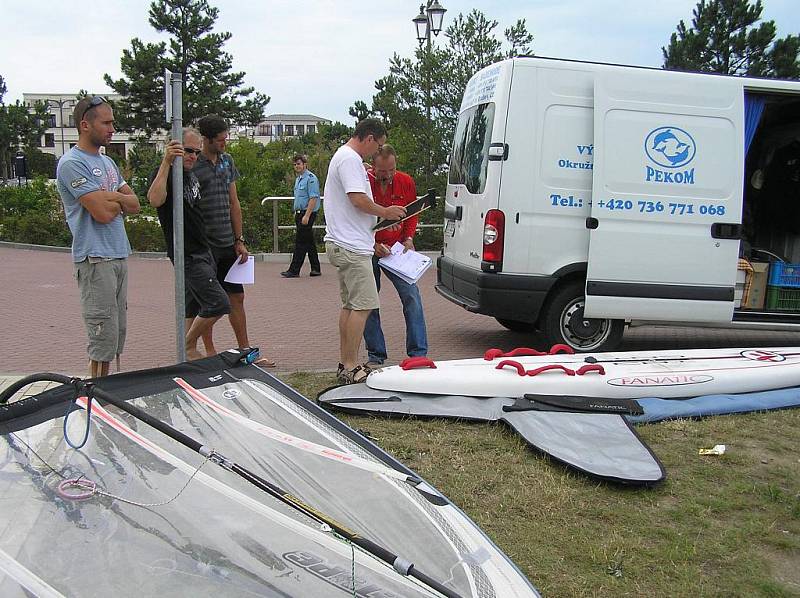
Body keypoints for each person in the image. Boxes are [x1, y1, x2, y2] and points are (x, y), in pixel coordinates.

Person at [55, 96, 140, 378]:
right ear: (84, 125)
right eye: (105, 122)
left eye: (112, 122)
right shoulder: (71, 164)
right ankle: (97, 395)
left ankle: (109, 390)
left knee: (117, 331)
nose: (112, 128)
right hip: (95, 257)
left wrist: (109, 196)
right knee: (102, 331)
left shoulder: (108, 163)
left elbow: (136, 204)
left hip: (118, 253)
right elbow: (102, 214)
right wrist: (116, 200)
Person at [323, 119, 406, 384]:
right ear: (369, 138)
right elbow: (357, 199)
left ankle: (345, 362)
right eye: (378, 145)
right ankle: (350, 365)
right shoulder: (349, 159)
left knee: (350, 305)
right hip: (351, 246)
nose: (377, 151)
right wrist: (386, 212)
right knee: (364, 305)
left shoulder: (347, 158)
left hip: (344, 242)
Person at [194, 114, 276, 367]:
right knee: (208, 301)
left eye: (226, 139)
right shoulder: (193, 164)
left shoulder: (227, 161)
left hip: (227, 241)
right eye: (220, 140)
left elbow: (234, 202)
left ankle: (245, 350)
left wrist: (239, 239)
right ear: (206, 140)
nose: (224, 144)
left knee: (236, 297)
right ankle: (208, 350)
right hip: (204, 244)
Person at [147, 128, 231, 360]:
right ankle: (186, 346)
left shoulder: (190, 175)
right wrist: (166, 162)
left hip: (203, 248)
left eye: (196, 151)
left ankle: (189, 353)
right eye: (188, 151)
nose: (193, 156)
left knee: (192, 306)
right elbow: (154, 199)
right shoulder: (168, 174)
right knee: (218, 302)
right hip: (187, 253)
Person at [364, 145, 428, 366]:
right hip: (369, 248)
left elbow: (412, 213)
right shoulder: (363, 182)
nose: (388, 175)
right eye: (383, 171)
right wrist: (373, 244)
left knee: (412, 296)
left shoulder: (405, 181)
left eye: (392, 170)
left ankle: (418, 353)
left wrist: (408, 237)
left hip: (397, 250)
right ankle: (376, 354)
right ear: (373, 167)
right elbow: (354, 218)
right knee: (369, 300)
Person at [281, 155, 321, 277]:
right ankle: (316, 268)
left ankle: (294, 269)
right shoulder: (299, 179)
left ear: (305, 164)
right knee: (309, 241)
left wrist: (307, 216)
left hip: (307, 213)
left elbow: (313, 198)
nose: (296, 166)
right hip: (299, 213)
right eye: (295, 164)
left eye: (298, 164)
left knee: (300, 242)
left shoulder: (311, 178)